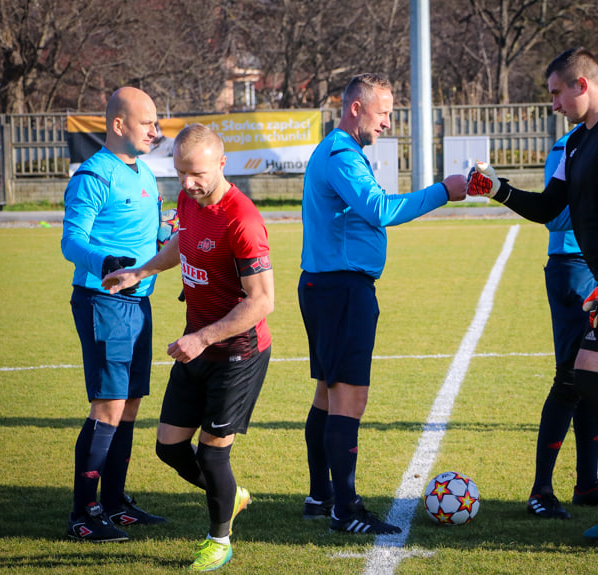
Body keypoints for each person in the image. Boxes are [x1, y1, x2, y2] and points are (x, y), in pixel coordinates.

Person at [467, 47, 598, 538]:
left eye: (556, 92)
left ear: (582, 85)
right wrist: (495, 188)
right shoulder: (575, 143)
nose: (553, 103)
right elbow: (549, 208)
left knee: (587, 375)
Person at [298, 73, 467, 535]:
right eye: (384, 112)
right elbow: (381, 209)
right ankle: (344, 509)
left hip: (328, 287)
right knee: (348, 398)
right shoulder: (341, 154)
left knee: (328, 394)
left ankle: (321, 495)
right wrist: (444, 192)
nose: (389, 122)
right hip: (340, 291)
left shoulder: (339, 150)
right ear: (356, 108)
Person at [102, 123, 274, 571]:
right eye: (180, 174)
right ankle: (230, 495)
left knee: (214, 451)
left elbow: (263, 301)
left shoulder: (243, 220)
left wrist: (202, 337)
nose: (188, 184)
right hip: (196, 345)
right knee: (169, 447)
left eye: (196, 174)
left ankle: (219, 540)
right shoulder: (188, 199)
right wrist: (140, 273)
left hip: (237, 352)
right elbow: (183, 242)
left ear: (222, 163)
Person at [61, 86, 167, 543]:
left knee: (129, 406)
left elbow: (150, 232)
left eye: (157, 123)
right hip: (103, 302)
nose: (156, 131)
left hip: (138, 301)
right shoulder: (93, 174)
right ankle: (83, 513)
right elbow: (71, 240)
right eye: (148, 123)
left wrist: (170, 235)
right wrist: (104, 262)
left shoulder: (144, 170)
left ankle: (114, 502)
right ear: (119, 124)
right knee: (108, 406)